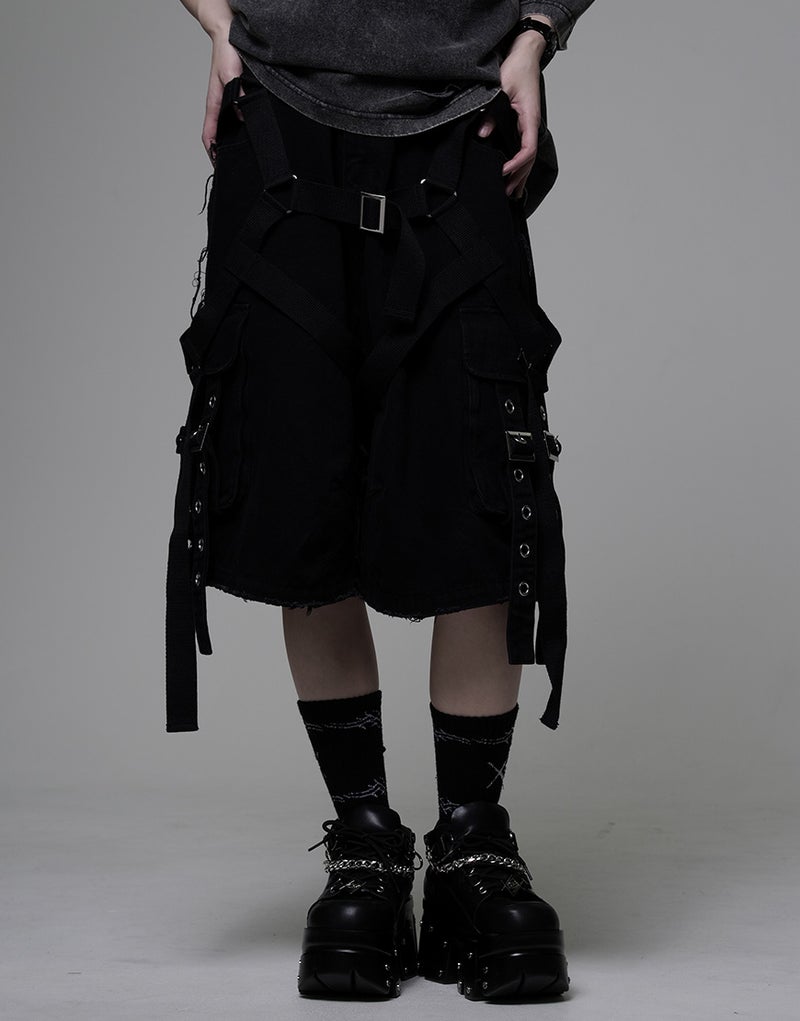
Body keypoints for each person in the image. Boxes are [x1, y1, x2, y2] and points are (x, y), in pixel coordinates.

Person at [169, 0, 594, 1003]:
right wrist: (219, 23)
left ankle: (471, 848)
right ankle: (364, 841)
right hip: (280, 109)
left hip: (464, 116)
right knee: (301, 489)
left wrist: (536, 32)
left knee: (480, 480)